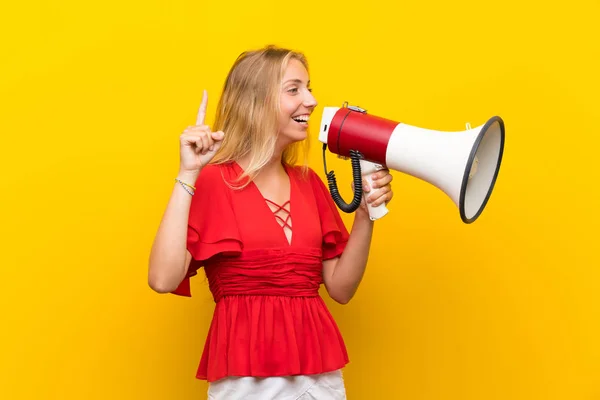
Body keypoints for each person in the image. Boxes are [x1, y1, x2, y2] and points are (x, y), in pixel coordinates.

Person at [148, 45, 394, 399]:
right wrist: (188, 171)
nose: (310, 100)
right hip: (245, 380)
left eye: (309, 88)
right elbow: (162, 278)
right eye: (294, 89)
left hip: (319, 379)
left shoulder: (310, 184)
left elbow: (340, 289)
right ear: (256, 102)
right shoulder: (215, 181)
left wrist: (365, 213)